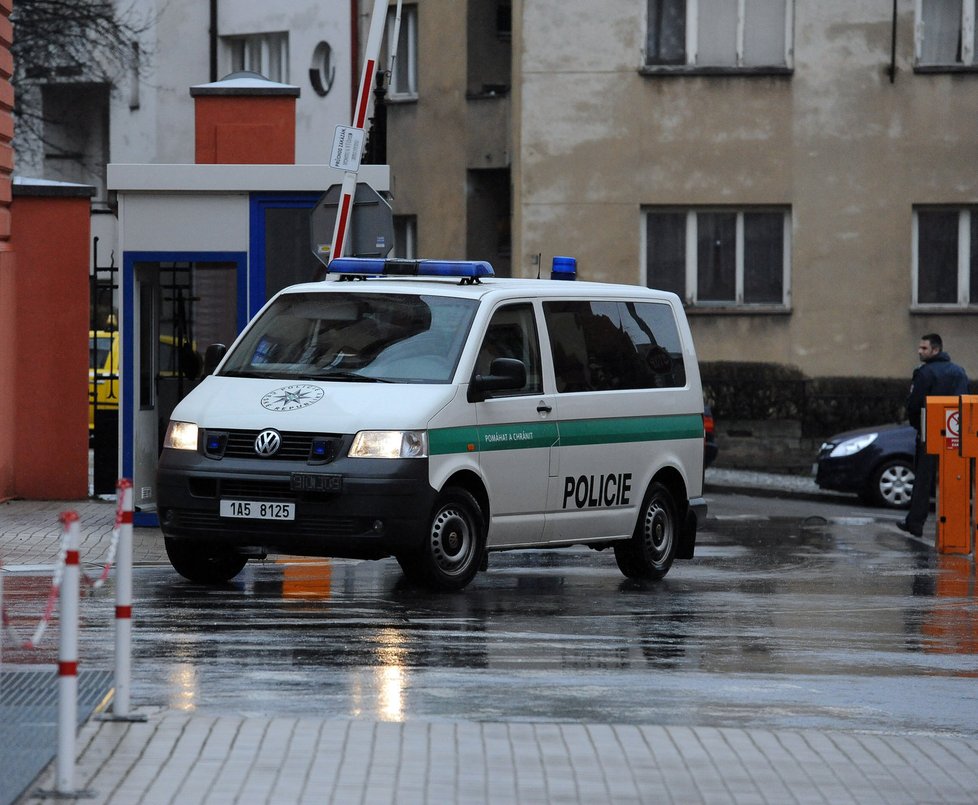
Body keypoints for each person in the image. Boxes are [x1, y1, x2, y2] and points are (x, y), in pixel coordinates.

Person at [897, 333, 969, 537]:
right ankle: (956, 524)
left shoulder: (924, 373)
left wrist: (917, 426)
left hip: (929, 431)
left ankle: (915, 523)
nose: (919, 351)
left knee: (923, 478)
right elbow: (965, 400)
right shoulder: (958, 371)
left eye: (924, 348)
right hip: (955, 433)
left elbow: (914, 404)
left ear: (935, 350)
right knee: (955, 477)